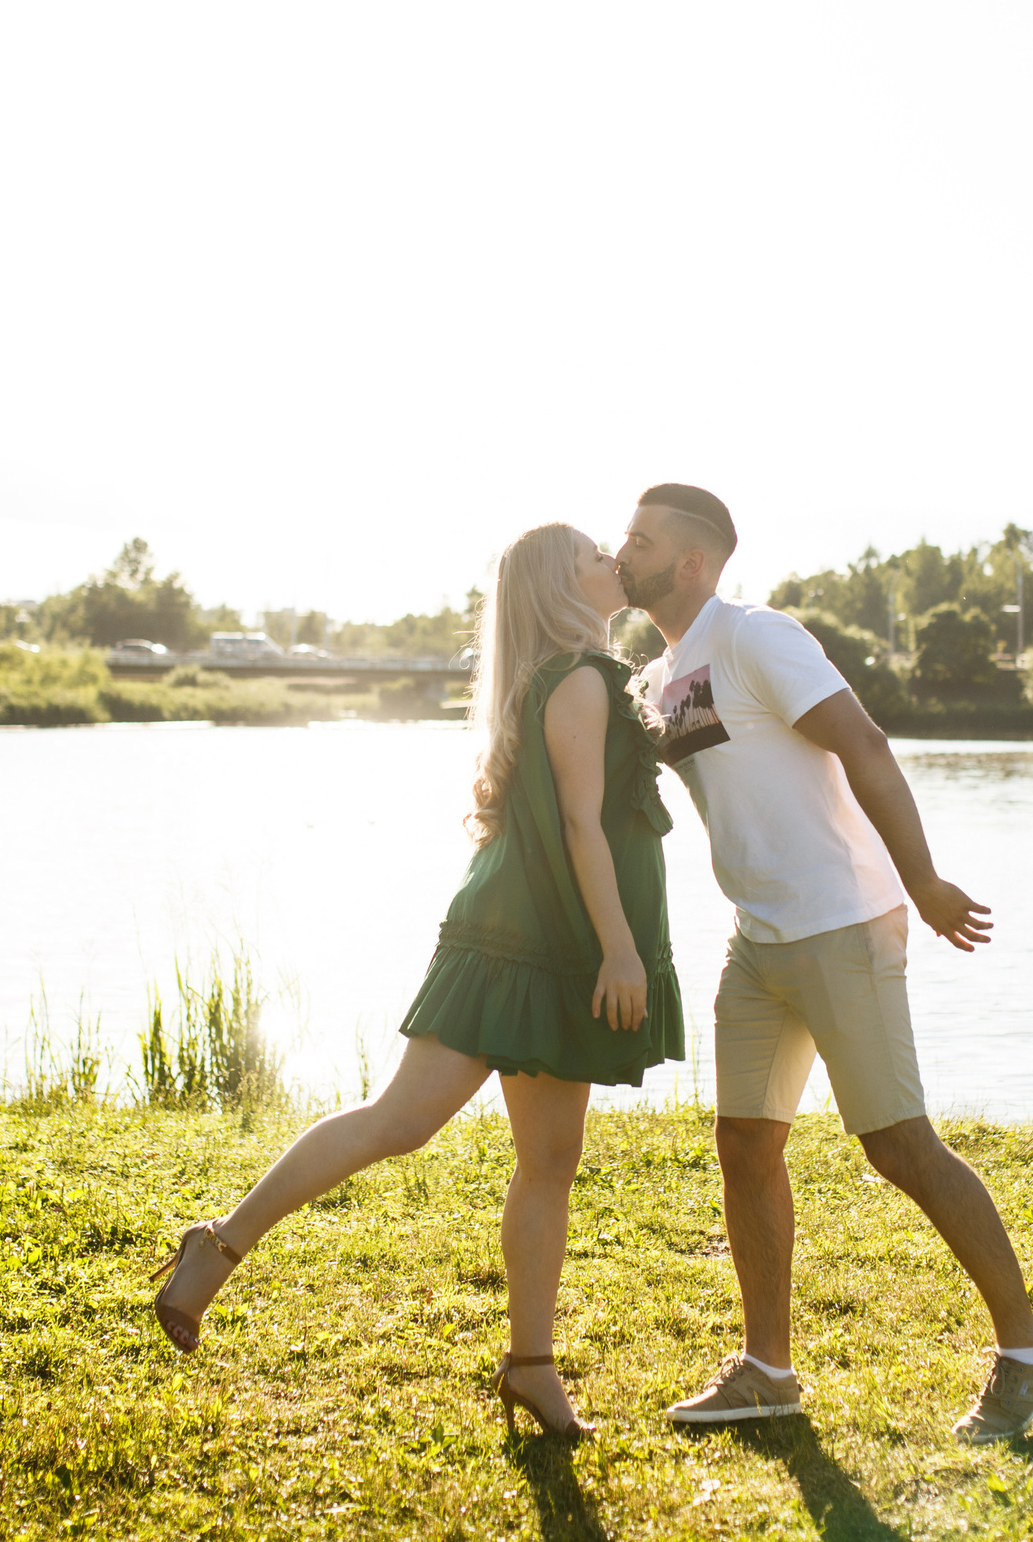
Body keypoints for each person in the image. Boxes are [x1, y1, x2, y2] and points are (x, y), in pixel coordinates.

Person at [149, 522, 684, 1439]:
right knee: (401, 1121)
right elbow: (581, 826)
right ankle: (220, 1241)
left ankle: (531, 1365)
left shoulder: (578, 675)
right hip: (528, 943)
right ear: (561, 587)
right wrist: (621, 950)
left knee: (549, 1159)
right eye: (593, 555)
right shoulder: (582, 679)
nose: (612, 560)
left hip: (547, 938)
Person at [617, 482, 1033, 1445]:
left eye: (640, 541)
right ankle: (768, 1370)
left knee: (898, 1144)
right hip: (758, 936)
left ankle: (1027, 1349)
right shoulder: (656, 676)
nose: (624, 553)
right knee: (744, 1142)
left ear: (692, 562)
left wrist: (925, 879)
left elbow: (864, 742)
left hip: (840, 922)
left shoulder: (756, 636)